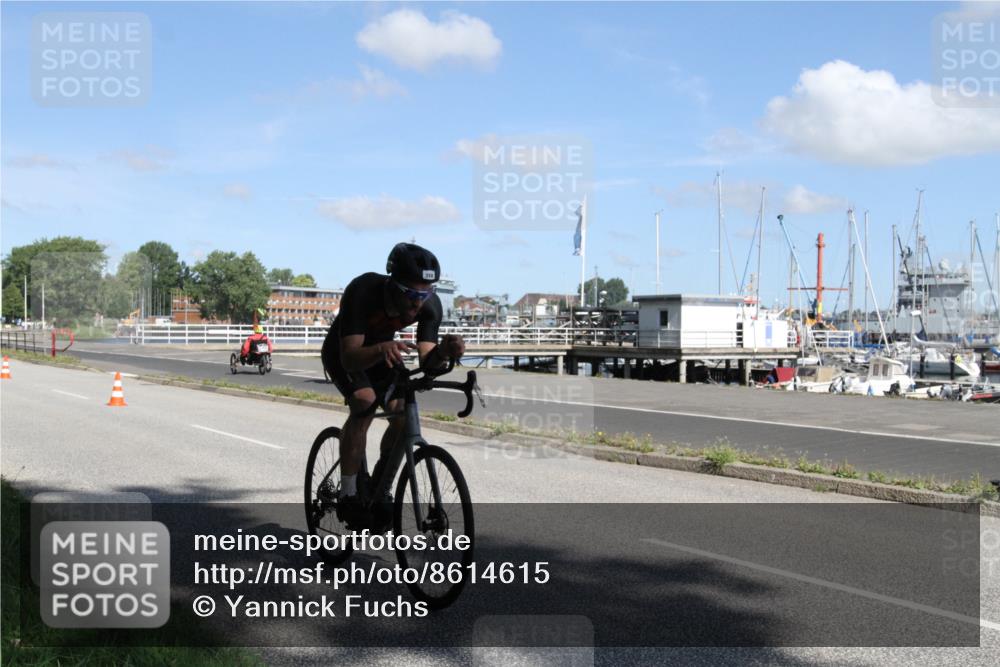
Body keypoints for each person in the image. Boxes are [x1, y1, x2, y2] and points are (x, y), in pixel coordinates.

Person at [321, 243, 465, 526]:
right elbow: (350, 358)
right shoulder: (363, 290)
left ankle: (379, 487)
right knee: (364, 401)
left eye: (425, 293)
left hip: (384, 350)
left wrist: (444, 352)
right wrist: (379, 349)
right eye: (411, 293)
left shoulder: (428, 306)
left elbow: (427, 361)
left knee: (401, 414)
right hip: (346, 351)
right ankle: (349, 494)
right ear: (392, 285)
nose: (417, 302)